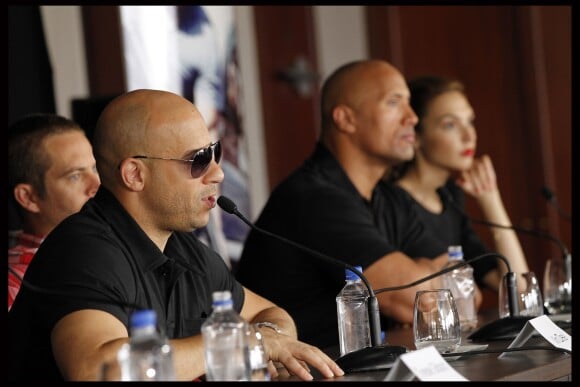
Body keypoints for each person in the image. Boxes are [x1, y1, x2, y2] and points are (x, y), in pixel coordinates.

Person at [7, 89, 344, 381]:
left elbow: (268, 315)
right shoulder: (82, 251)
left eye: (215, 153)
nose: (218, 173)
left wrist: (267, 339)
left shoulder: (183, 249)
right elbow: (96, 370)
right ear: (135, 175)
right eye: (197, 160)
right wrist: (247, 342)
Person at [235, 60, 468, 350]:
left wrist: (419, 275)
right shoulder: (313, 197)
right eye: (394, 103)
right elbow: (410, 299)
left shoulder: (388, 198)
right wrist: (422, 271)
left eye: (409, 104)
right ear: (346, 119)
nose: (412, 118)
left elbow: (463, 291)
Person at [385, 75, 529, 291]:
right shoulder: (391, 202)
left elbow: (517, 289)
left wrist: (491, 200)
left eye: (470, 121)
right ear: (416, 136)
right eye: (450, 124)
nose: (469, 135)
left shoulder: (449, 196)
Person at [8, 113, 100, 310]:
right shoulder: (15, 285)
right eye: (75, 176)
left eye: (95, 169)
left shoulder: (108, 247)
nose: (97, 185)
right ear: (29, 198)